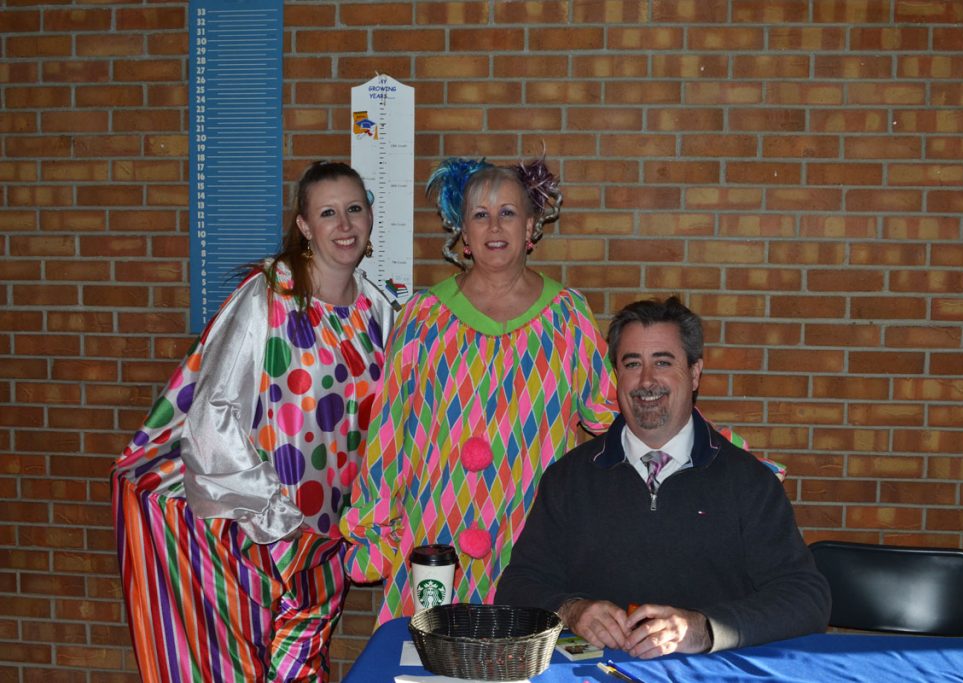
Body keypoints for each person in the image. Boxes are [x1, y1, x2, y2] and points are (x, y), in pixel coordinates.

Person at [111, 161, 399, 682]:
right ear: (305, 226)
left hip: (332, 529)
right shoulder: (270, 296)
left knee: (301, 661)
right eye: (328, 213)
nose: (345, 225)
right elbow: (213, 413)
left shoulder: (379, 311)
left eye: (355, 209)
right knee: (261, 665)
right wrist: (277, 523)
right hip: (263, 530)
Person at [340, 156, 619, 623]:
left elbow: (610, 411)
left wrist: (701, 448)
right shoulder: (423, 316)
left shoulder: (568, 316)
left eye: (508, 212)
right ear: (462, 234)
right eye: (480, 214)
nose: (495, 226)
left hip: (531, 537)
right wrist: (373, 524)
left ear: (530, 226)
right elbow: (387, 431)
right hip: (433, 538)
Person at [494, 296, 831, 657]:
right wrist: (571, 610)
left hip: (712, 674)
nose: (647, 380)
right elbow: (518, 587)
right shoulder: (568, 479)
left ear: (695, 372)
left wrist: (705, 629)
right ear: (616, 375)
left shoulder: (748, 482)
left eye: (663, 362)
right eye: (632, 363)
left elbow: (806, 598)